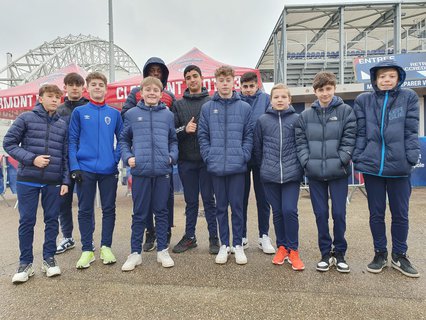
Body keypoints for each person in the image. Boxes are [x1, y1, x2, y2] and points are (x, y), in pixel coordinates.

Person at [353, 61, 420, 278]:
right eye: (382, 77)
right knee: (376, 214)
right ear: (375, 80)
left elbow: (411, 130)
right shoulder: (364, 100)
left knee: (400, 214)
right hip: (373, 168)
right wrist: (359, 155)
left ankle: (399, 254)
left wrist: (411, 157)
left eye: (391, 76)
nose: (386, 80)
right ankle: (380, 253)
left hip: (399, 168)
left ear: (398, 78)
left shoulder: (408, 97)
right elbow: (360, 131)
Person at [4, 84, 69, 283]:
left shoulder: (62, 124)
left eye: (58, 97)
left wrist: (65, 180)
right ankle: (25, 263)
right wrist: (32, 159)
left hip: (53, 181)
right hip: (28, 180)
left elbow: (65, 155)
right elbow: (9, 143)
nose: (55, 100)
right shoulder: (25, 118)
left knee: (51, 220)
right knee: (27, 221)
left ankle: (49, 259)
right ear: (40, 98)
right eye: (50, 96)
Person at [295, 71, 356, 273]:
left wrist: (341, 159)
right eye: (321, 90)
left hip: (338, 172)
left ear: (334, 88)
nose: (325, 93)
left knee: (339, 213)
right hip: (315, 174)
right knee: (320, 214)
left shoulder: (346, 111)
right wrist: (306, 162)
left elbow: (350, 138)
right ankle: (324, 253)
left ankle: (339, 253)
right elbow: (300, 142)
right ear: (315, 91)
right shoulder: (305, 116)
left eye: (328, 89)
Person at [120, 76, 178, 270]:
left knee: (162, 212)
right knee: (139, 214)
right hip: (141, 172)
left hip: (162, 171)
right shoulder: (131, 114)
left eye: (155, 90)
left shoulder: (168, 115)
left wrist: (171, 157)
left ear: (161, 94)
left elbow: (173, 140)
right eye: (148, 89)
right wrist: (128, 157)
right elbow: (124, 140)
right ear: (141, 93)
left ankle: (162, 250)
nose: (152, 93)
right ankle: (135, 253)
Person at [198, 66, 253, 265]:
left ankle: (237, 245)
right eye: (221, 80)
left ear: (233, 82)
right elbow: (202, 135)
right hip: (216, 167)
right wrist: (209, 156)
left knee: (237, 207)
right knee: (220, 207)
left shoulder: (244, 107)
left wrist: (244, 155)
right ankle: (224, 245)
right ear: (216, 83)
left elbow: (249, 135)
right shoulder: (207, 108)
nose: (224, 84)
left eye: (228, 80)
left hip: (238, 167)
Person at [68, 72, 123, 269]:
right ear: (87, 89)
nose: (97, 87)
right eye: (94, 84)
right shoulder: (79, 113)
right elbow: (72, 141)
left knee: (109, 209)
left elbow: (122, 140)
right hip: (85, 169)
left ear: (106, 89)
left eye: (101, 84)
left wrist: (115, 159)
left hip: (108, 169)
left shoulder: (115, 114)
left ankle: (106, 246)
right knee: (85, 209)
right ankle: (87, 250)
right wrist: (75, 166)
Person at [254, 83, 305, 271]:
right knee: (277, 212)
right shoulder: (263, 121)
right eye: (276, 97)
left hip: (292, 174)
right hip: (270, 175)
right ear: (271, 100)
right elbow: (258, 148)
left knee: (289, 210)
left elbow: (302, 144)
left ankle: (294, 250)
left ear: (289, 100)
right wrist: (265, 166)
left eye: (284, 97)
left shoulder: (298, 119)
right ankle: (282, 247)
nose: (280, 100)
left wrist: (300, 168)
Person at [171, 65, 219, 255]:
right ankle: (190, 237)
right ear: (185, 81)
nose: (192, 79)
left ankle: (214, 238)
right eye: (188, 77)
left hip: (207, 162)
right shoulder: (178, 104)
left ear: (201, 78)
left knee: (209, 201)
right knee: (191, 202)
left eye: (195, 76)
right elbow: (171, 133)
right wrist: (185, 129)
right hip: (187, 162)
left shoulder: (211, 102)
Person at [239, 71, 274, 254]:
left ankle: (264, 236)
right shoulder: (236, 100)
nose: (248, 90)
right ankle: (242, 235)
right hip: (243, 157)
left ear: (257, 85)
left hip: (261, 156)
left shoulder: (266, 100)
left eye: (251, 86)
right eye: (245, 86)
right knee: (241, 199)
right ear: (240, 87)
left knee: (263, 199)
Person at [55, 72, 89, 254]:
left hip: (84, 163)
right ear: (65, 87)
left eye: (78, 84)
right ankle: (67, 236)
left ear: (83, 88)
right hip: (63, 164)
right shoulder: (58, 110)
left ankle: (88, 241)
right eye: (71, 84)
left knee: (85, 204)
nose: (74, 87)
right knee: (63, 202)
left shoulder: (89, 108)